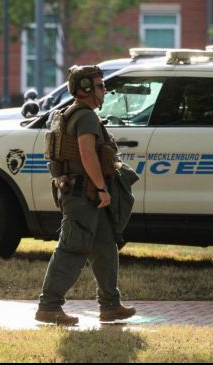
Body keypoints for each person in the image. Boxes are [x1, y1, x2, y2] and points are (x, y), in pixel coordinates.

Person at [35, 65, 136, 326]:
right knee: (72, 246)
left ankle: (110, 306)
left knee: (104, 246)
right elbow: (87, 154)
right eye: (100, 86)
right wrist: (102, 188)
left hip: (81, 192)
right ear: (85, 89)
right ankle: (49, 306)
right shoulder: (86, 117)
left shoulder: (73, 114)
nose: (104, 91)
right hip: (83, 195)